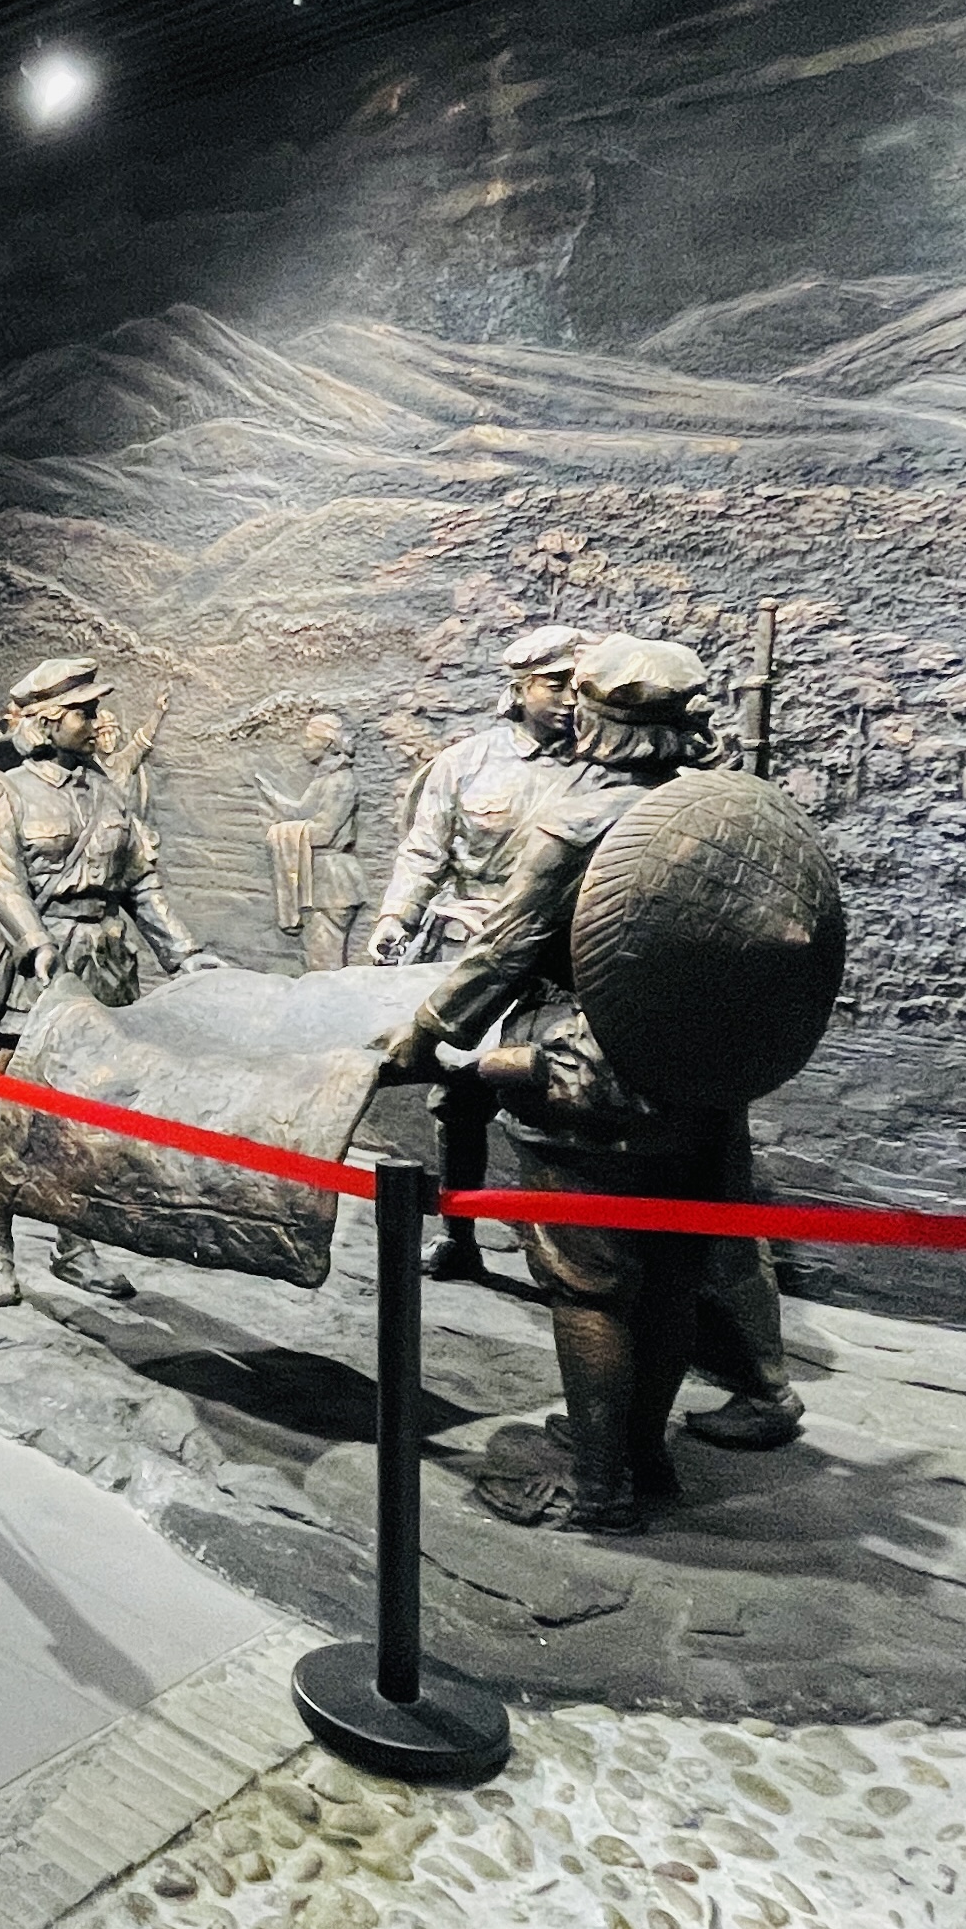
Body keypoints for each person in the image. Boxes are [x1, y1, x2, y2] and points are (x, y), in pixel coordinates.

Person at [382, 637, 798, 1533]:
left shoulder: (578, 823)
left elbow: (504, 951)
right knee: (671, 1278)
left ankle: (599, 1489)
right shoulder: (731, 808)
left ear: (600, 721)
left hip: (588, 1081)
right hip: (702, 1078)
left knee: (590, 1286)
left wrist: (422, 1037)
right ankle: (641, 1453)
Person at [0, 656, 225, 1305]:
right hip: (31, 980)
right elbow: (5, 888)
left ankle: (74, 1246)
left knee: (87, 1120)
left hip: (104, 970)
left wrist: (185, 955)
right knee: (4, 1124)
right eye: (84, 712)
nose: (96, 721)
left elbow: (142, 885)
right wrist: (37, 947)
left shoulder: (110, 792)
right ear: (48, 722)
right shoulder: (3, 796)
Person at [368, 625, 587, 965]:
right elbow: (424, 852)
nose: (570, 700)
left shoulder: (602, 767)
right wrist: (396, 917)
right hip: (470, 934)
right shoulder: (463, 762)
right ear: (519, 691)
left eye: (578, 688)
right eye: (555, 687)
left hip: (564, 941)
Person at [254, 711, 371, 972]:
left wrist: (280, 833)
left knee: (324, 965)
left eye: (309, 739)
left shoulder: (340, 781)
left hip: (333, 883)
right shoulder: (325, 778)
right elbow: (301, 812)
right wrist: (271, 796)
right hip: (320, 880)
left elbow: (324, 833)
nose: (303, 745)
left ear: (327, 743)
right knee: (318, 960)